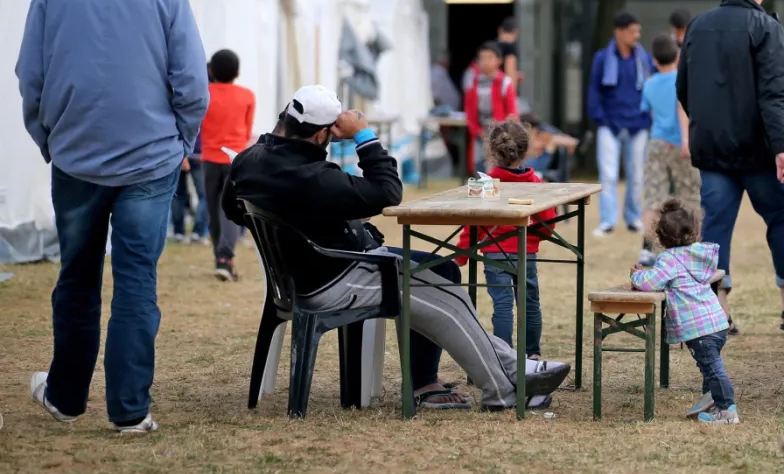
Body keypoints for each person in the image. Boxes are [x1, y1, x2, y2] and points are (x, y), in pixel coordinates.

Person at [222, 85, 571, 412]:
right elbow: (387, 192)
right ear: (319, 134)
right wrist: (363, 135)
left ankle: (500, 370)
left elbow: (231, 208)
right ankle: (505, 389)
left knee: (441, 270)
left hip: (312, 273)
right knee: (446, 299)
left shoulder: (249, 162)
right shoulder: (311, 177)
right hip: (336, 277)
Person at [18, 0, 208, 434]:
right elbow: (192, 82)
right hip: (150, 160)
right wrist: (182, 141)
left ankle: (66, 398)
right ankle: (130, 411)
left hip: (76, 159)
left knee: (76, 278)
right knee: (135, 282)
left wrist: (47, 140)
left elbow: (30, 78)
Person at [677, 0, 784, 332]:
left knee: (716, 227)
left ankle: (719, 310)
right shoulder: (766, 27)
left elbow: (683, 86)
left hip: (712, 149)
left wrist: (705, 123)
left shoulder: (699, 25)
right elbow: (774, 95)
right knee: (782, 216)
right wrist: (783, 149)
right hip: (760, 150)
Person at [630, 199, 737, 424]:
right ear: (694, 231)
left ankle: (727, 411)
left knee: (713, 369)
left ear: (660, 236)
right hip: (717, 322)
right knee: (711, 368)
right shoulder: (699, 255)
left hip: (699, 329)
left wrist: (636, 275)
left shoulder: (669, 259)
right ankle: (715, 400)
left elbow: (651, 282)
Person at [463, 121, 550, 362]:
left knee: (502, 305)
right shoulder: (535, 184)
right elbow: (548, 221)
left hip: (494, 253)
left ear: (492, 152)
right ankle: (532, 352)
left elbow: (472, 223)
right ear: (526, 151)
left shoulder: (485, 184)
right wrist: (537, 237)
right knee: (530, 303)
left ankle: (504, 356)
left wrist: (460, 255)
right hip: (525, 251)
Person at [587, 11, 654, 236]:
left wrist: (647, 118)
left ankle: (633, 218)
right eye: (632, 31)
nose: (637, 35)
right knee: (608, 174)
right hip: (610, 123)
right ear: (619, 32)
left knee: (637, 174)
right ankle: (608, 220)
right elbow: (594, 91)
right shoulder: (602, 57)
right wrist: (601, 119)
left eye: (638, 31)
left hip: (638, 124)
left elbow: (651, 88)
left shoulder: (644, 58)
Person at [637, 33, 700, 266]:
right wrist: (686, 140)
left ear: (654, 60)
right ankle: (693, 244)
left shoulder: (649, 83)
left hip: (657, 143)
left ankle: (648, 247)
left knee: (654, 197)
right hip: (681, 144)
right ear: (678, 55)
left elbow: (651, 113)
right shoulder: (682, 79)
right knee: (689, 196)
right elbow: (682, 109)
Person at [200, 49, 256, 281]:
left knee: (213, 209)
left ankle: (219, 259)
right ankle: (225, 257)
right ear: (238, 73)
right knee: (231, 211)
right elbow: (247, 128)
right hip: (236, 159)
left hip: (209, 158)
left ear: (210, 70)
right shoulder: (247, 96)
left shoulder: (204, 93)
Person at [462, 41, 519, 174]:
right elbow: (469, 111)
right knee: (478, 165)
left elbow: (512, 112)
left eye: (489, 58)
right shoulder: (473, 82)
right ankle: (479, 193)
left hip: (499, 132)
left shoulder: (504, 82)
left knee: (495, 166)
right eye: (482, 58)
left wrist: (504, 130)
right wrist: (477, 130)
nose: (485, 62)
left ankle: (494, 193)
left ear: (499, 60)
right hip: (479, 132)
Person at [170, 132, 209, 244]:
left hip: (179, 152)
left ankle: (179, 233)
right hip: (198, 154)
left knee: (178, 195)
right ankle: (198, 232)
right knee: (204, 196)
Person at [520, 112, 579, 182]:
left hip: (539, 169)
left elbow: (572, 142)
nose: (534, 133)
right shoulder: (521, 138)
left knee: (553, 143)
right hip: (531, 168)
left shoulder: (543, 135)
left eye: (535, 130)